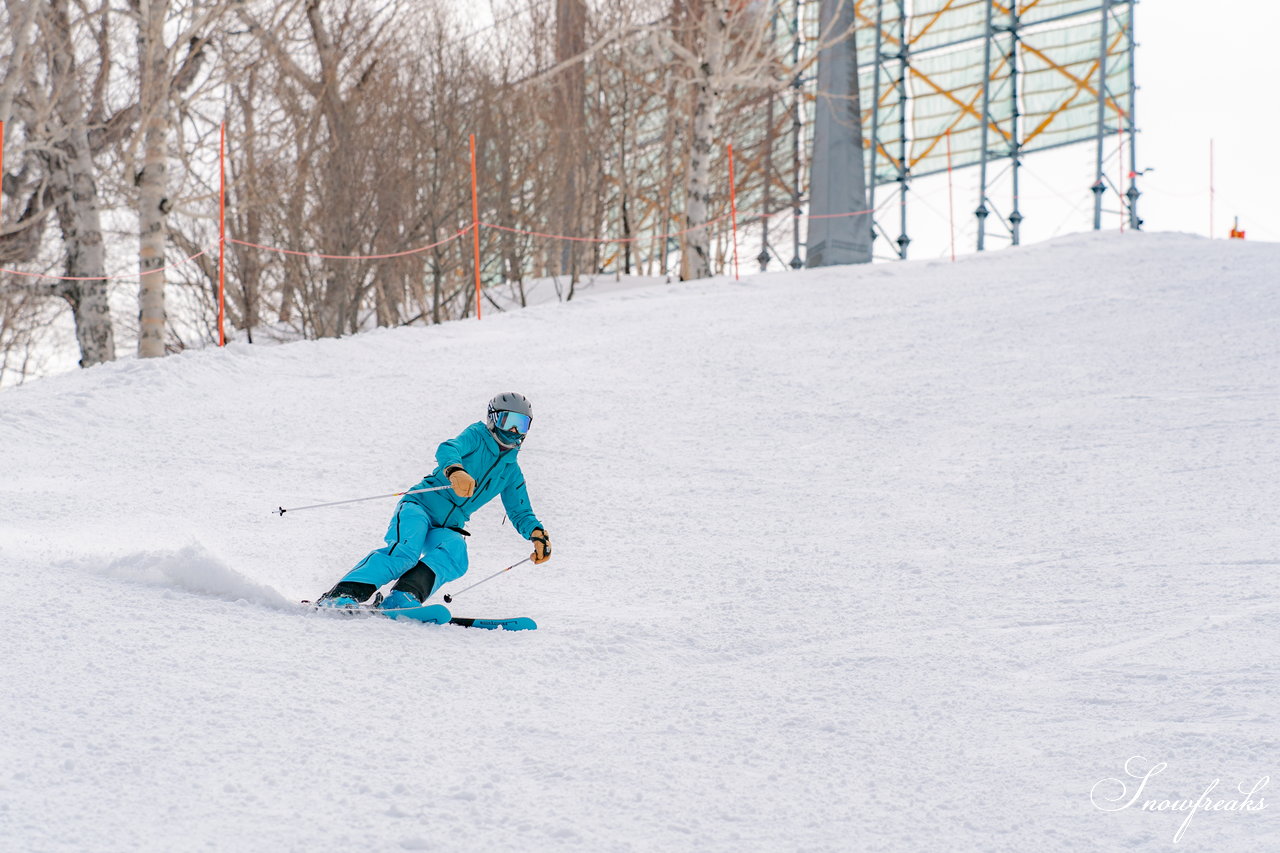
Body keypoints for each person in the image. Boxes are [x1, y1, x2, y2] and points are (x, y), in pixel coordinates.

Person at [316, 392, 551, 615]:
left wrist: (537, 534)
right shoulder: (477, 436)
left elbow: (520, 511)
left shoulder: (511, 472)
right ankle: (341, 594)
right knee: (405, 553)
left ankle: (403, 597)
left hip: (447, 526)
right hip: (419, 507)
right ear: (492, 419)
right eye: (508, 420)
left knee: (455, 554)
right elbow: (449, 448)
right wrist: (454, 470)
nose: (512, 430)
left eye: (521, 424)